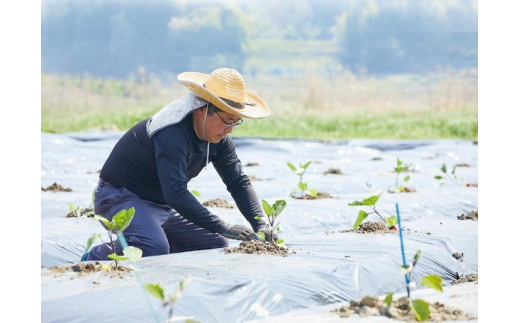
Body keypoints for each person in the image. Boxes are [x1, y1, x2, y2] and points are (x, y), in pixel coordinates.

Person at [83, 67, 275, 261]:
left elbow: (238, 182)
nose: (230, 130)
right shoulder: (171, 132)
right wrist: (223, 226)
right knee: (152, 246)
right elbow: (175, 193)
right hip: (120, 197)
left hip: (159, 205)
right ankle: (93, 257)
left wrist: (260, 224)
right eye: (227, 120)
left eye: (235, 122)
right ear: (202, 110)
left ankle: (154, 246)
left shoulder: (219, 139)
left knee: (215, 243)